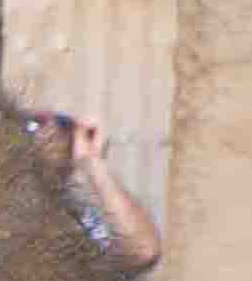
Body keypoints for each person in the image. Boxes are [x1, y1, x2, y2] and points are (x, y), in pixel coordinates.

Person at [21, 109, 163, 272]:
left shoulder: (80, 218)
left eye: (63, 123)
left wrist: (92, 160)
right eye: (36, 122)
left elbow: (143, 251)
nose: (51, 129)